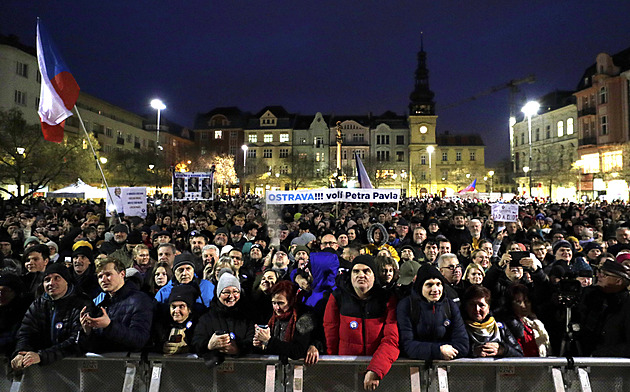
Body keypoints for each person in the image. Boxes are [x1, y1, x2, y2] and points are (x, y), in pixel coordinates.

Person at [324, 255, 399, 391]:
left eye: (366, 271)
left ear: (374, 275)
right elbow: (330, 336)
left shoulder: (387, 299)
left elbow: (392, 340)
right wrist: (333, 367)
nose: (361, 275)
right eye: (356, 271)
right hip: (344, 376)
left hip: (379, 375)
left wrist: (376, 369)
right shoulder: (337, 297)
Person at [11, 264, 92, 369]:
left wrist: (42, 355)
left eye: (57, 278)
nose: (51, 283)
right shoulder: (38, 304)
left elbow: (76, 340)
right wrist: (21, 352)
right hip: (44, 369)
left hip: (74, 368)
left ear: (67, 281)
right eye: (47, 280)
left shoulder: (82, 304)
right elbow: (26, 333)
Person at [80, 257, 155, 353]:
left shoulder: (140, 300)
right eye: (100, 276)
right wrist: (88, 331)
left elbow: (139, 340)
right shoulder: (100, 303)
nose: (103, 279)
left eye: (108, 274)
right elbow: (95, 346)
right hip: (107, 365)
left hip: (129, 365)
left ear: (122, 274)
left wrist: (109, 326)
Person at [397, 264, 469, 360]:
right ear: (420, 286)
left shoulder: (450, 306)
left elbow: (463, 345)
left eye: (438, 284)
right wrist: (438, 351)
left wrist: (443, 351)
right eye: (429, 285)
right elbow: (407, 345)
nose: (435, 289)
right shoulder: (406, 306)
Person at [192, 271, 254, 367]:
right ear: (218, 294)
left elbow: (253, 341)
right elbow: (196, 341)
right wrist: (208, 345)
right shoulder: (206, 317)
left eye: (235, 291)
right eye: (226, 292)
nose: (231, 296)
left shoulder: (247, 317)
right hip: (213, 374)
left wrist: (238, 348)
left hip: (243, 372)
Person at [253, 280, 316, 363]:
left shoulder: (303, 318)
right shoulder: (270, 318)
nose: (277, 308)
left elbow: (297, 351)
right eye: (274, 303)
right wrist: (259, 344)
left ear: (291, 301)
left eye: (281, 303)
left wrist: (269, 341)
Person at [577, 260, 630, 356]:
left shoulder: (625, 304)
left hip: (612, 365)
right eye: (599, 272)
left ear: (618, 281)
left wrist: (600, 354)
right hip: (585, 357)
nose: (599, 276)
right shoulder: (592, 297)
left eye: (605, 275)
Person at [461, 285, 523, 358]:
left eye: (481, 305)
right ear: (466, 306)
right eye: (472, 305)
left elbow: (519, 354)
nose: (477, 309)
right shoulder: (460, 327)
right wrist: (472, 352)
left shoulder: (500, 327)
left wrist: (503, 350)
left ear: (488, 307)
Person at [496, 284, 550, 357]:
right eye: (518, 302)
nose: (523, 306)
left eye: (526, 301)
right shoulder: (510, 326)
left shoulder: (533, 323)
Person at [152, 284, 199, 355]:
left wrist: (185, 348)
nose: (176, 311)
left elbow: (202, 345)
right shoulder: (161, 324)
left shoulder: (198, 325)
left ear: (189, 309)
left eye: (181, 307)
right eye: (173, 307)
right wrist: (162, 347)